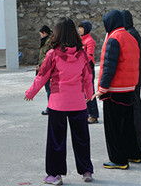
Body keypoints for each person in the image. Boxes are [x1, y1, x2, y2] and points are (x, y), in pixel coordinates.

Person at [25, 17, 94, 185]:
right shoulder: (82, 54)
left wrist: (31, 92)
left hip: (58, 103)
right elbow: (88, 77)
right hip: (78, 102)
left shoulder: (52, 54)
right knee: (82, 138)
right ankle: (86, 171)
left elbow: (42, 76)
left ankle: (55, 175)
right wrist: (89, 95)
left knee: (56, 140)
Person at [92, 10, 141, 170]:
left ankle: (118, 159)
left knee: (113, 128)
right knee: (127, 125)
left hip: (115, 90)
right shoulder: (131, 37)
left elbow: (109, 66)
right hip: (129, 88)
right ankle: (134, 154)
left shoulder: (114, 39)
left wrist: (102, 88)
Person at [122, 10, 141, 147]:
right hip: (136, 76)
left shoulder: (130, 34)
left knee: (135, 108)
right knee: (137, 107)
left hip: (133, 77)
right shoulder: (133, 32)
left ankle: (139, 136)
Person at [79, 21, 99, 124]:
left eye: (81, 28)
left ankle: (94, 115)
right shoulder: (81, 40)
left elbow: (89, 56)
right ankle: (86, 113)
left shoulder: (90, 41)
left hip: (88, 69)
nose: (79, 30)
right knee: (83, 92)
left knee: (89, 92)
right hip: (81, 70)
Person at [38, 25, 53, 115]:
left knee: (49, 89)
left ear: (45, 33)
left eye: (41, 34)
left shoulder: (49, 42)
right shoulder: (46, 41)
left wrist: (42, 66)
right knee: (48, 89)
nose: (41, 36)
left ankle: (50, 107)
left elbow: (47, 57)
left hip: (48, 69)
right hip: (44, 68)